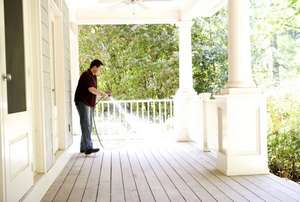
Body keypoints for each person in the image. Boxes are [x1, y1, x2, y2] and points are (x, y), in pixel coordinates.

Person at [74, 59, 110, 155]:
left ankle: (83, 147)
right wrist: (102, 94)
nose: (100, 71)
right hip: (82, 102)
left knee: (88, 125)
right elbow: (91, 89)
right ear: (94, 67)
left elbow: (94, 90)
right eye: (100, 69)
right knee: (86, 124)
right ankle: (88, 148)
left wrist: (104, 93)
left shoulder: (94, 77)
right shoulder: (86, 75)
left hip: (89, 103)